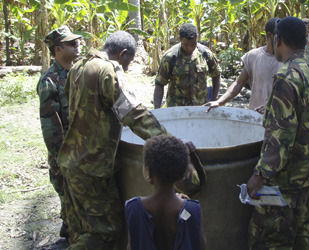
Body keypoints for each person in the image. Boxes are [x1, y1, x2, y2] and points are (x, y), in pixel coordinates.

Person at [56, 31, 172, 249]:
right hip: (93, 167)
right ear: (123, 53)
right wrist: (167, 140)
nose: (127, 68)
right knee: (107, 231)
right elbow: (132, 113)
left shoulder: (79, 67)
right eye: (128, 62)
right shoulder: (107, 71)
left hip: (71, 161)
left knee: (81, 228)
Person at [246, 17, 309, 249]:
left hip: (287, 180)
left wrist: (261, 174)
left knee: (270, 238)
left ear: (278, 40)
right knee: (304, 236)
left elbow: (280, 134)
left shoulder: (287, 76)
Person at [36, 25, 82, 239]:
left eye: (77, 42)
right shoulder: (50, 81)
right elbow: (51, 127)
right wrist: (63, 157)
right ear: (57, 49)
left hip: (83, 148)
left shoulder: (78, 72)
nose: (77, 46)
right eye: (71, 44)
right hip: (65, 152)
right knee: (69, 198)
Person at [125, 135, 206, 250]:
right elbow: (201, 247)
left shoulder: (133, 208)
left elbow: (131, 247)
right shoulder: (192, 209)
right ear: (181, 172)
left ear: (149, 172)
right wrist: (187, 206)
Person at [204, 18, 283, 114]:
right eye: (279, 36)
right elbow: (239, 83)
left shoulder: (288, 59)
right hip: (255, 115)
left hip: (278, 119)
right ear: (270, 35)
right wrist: (219, 102)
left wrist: (271, 106)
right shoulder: (254, 56)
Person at [154, 23, 222, 108]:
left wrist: (214, 99)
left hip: (200, 107)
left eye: (193, 44)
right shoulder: (170, 57)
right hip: (177, 109)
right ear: (180, 39)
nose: (189, 48)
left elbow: (216, 74)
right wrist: (157, 109)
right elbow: (160, 83)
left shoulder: (205, 54)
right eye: (186, 45)